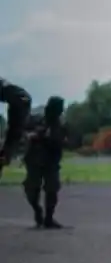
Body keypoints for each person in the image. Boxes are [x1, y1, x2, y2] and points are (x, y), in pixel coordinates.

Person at [23, 96, 67, 229]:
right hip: (34, 160)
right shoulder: (35, 119)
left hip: (51, 162)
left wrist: (55, 139)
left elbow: (63, 141)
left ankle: (49, 218)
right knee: (31, 189)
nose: (58, 113)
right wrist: (33, 136)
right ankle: (37, 210)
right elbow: (23, 133)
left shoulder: (60, 125)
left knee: (52, 189)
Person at [0, 76, 32, 175]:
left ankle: (5, 155)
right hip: (21, 101)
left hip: (20, 101)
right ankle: (6, 154)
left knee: (14, 133)